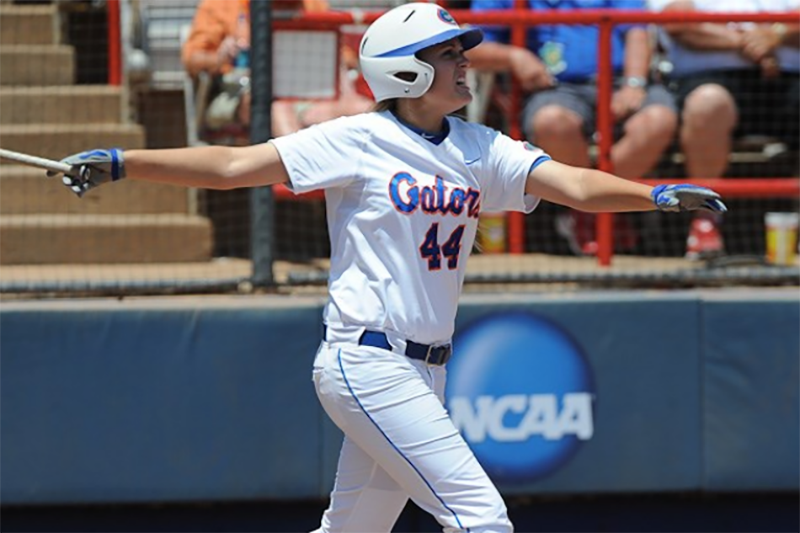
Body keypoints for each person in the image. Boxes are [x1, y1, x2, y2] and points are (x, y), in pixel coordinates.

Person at [49, 4, 725, 531]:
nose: (466, 62)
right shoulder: (358, 140)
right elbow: (232, 166)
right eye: (447, 53)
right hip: (367, 359)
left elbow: (572, 185)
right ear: (405, 71)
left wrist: (654, 194)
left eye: (462, 50)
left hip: (427, 369)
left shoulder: (477, 145)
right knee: (480, 516)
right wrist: (123, 162)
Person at [467, 0, 679, 256]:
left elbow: (636, 28)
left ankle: (600, 204)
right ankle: (590, 211)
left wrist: (634, 83)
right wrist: (514, 55)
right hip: (557, 88)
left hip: (621, 81)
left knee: (659, 119)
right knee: (551, 121)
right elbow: (469, 48)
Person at [650, 0, 800, 259]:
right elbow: (677, 21)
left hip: (785, 79)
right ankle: (705, 220)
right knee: (708, 103)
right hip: (710, 78)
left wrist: (776, 34)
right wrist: (750, 43)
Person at [181, 0, 373, 138]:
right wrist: (220, 56)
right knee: (277, 110)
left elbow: (343, 54)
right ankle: (303, 187)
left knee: (365, 110)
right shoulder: (220, 5)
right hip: (241, 94)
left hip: (306, 94)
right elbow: (192, 59)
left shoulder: (312, 4)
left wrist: (341, 62)